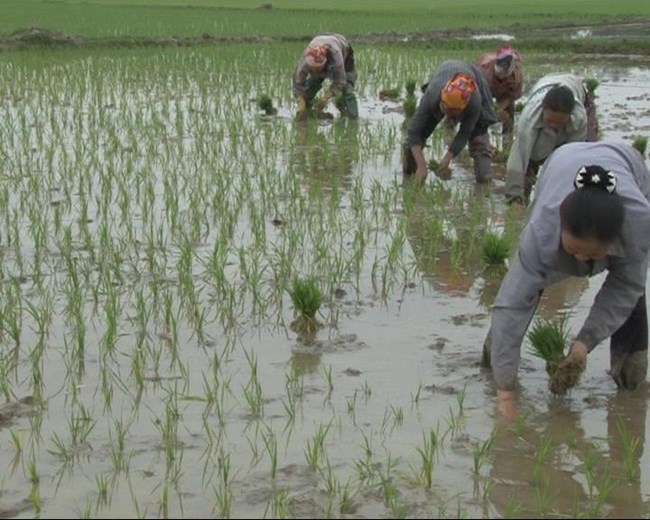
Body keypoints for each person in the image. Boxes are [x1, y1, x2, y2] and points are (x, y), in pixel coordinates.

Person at [482, 140, 650, 420]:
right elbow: (513, 305)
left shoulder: (639, 227)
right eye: (573, 251)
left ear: (614, 242)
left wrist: (584, 342)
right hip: (561, 160)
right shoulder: (542, 231)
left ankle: (628, 380)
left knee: (634, 296)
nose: (582, 262)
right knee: (521, 291)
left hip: (627, 162)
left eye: (593, 254)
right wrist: (506, 392)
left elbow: (625, 287)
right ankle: (495, 360)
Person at [504, 72, 599, 205]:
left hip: (576, 89)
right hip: (546, 85)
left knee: (587, 153)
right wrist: (513, 197)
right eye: (550, 121)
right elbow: (519, 157)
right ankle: (519, 201)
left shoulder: (579, 117)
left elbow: (572, 157)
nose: (554, 125)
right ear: (544, 109)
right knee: (531, 158)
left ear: (569, 115)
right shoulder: (529, 119)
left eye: (559, 123)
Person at [403, 60, 499, 184]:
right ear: (442, 101)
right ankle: (409, 176)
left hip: (473, 80)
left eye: (453, 113)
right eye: (446, 110)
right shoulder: (433, 93)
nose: (447, 115)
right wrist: (422, 165)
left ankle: (484, 183)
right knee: (419, 136)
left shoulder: (474, 101)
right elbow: (413, 132)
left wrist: (448, 158)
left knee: (478, 138)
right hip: (445, 72)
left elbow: (464, 133)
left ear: (463, 110)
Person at [292, 33, 358, 120]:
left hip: (342, 47)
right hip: (321, 40)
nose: (314, 70)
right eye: (312, 68)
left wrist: (325, 99)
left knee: (347, 89)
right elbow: (297, 83)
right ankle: (308, 112)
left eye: (317, 68)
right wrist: (301, 103)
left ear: (324, 64)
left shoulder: (336, 57)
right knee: (312, 83)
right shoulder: (305, 62)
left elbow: (340, 81)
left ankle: (353, 119)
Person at [475, 45, 524, 135]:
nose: (503, 76)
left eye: (506, 74)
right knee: (479, 115)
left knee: (508, 113)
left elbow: (511, 96)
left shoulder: (515, 77)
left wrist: (499, 110)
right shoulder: (483, 72)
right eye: (500, 74)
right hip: (486, 88)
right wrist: (491, 113)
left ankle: (507, 136)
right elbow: (479, 98)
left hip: (506, 92)